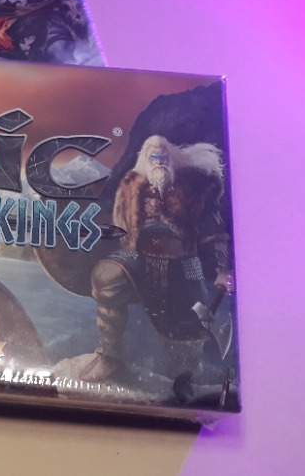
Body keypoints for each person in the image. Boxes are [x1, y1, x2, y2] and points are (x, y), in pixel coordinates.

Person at [56, 135, 234, 382]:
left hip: (184, 260)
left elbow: (214, 231)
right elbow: (115, 223)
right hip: (138, 254)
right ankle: (110, 356)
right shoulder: (130, 186)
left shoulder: (192, 188)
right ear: (145, 160)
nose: (159, 161)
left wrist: (222, 269)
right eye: (154, 157)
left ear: (171, 158)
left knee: (191, 322)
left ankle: (187, 373)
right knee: (107, 275)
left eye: (163, 156)